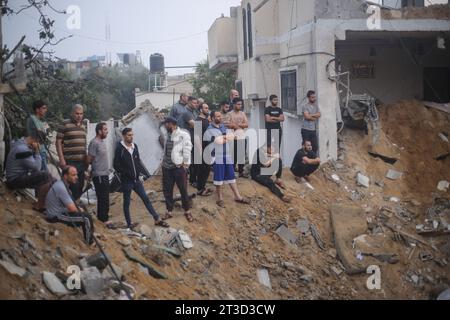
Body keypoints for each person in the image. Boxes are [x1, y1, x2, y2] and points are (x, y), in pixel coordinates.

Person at [113, 128, 169, 229]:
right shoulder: (120, 149)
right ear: (124, 136)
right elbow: (116, 165)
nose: (131, 137)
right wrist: (126, 173)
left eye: (132, 135)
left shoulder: (135, 147)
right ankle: (129, 223)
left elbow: (137, 161)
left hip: (136, 180)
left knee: (145, 198)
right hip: (127, 181)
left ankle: (157, 218)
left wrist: (139, 173)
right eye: (129, 135)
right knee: (127, 202)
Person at [204, 111, 250, 208]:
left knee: (231, 176)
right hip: (217, 156)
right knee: (218, 178)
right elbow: (218, 142)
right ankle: (219, 198)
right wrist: (225, 138)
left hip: (227, 155)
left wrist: (224, 137)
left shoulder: (222, 127)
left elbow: (231, 136)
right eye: (217, 116)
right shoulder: (209, 129)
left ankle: (237, 196)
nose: (219, 118)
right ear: (212, 118)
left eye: (220, 116)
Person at [45, 166, 94, 245]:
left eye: (76, 175)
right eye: (73, 175)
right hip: (55, 216)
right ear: (65, 176)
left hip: (61, 212)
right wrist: (80, 210)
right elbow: (72, 209)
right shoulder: (61, 188)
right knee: (86, 218)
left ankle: (89, 231)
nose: (77, 177)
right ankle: (90, 242)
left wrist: (80, 208)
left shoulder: (63, 185)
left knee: (82, 206)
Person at [5, 135, 53, 212]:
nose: (38, 145)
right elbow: (37, 167)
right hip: (14, 180)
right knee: (46, 175)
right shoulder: (23, 149)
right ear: (34, 141)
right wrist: (37, 152)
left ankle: (41, 203)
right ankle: (39, 206)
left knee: (51, 179)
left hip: (14, 177)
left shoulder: (18, 144)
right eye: (38, 143)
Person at [160, 117, 194, 222]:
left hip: (179, 168)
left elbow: (188, 149)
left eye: (167, 124)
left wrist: (185, 164)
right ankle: (169, 211)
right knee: (167, 190)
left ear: (173, 124)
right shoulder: (166, 134)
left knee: (183, 189)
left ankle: (187, 211)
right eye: (165, 124)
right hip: (166, 167)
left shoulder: (183, 134)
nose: (165, 126)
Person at [56, 104, 88, 200]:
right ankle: (70, 208)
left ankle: (75, 206)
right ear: (72, 113)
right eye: (77, 113)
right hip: (70, 162)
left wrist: (86, 162)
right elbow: (58, 142)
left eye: (81, 114)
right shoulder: (64, 124)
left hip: (81, 162)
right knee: (71, 186)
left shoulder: (83, 126)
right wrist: (61, 159)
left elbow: (84, 145)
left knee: (80, 185)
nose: (79, 116)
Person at [87, 122, 114, 228]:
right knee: (102, 198)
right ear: (99, 131)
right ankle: (103, 220)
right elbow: (90, 159)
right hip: (98, 175)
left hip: (105, 174)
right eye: (105, 129)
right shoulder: (94, 143)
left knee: (106, 197)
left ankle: (103, 218)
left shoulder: (102, 142)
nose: (107, 131)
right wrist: (90, 172)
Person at [178, 96, 200, 187]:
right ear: (189, 102)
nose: (196, 105)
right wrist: (196, 125)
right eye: (194, 103)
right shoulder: (186, 112)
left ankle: (192, 179)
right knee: (189, 160)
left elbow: (197, 124)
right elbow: (196, 125)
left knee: (194, 160)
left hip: (193, 138)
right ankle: (191, 180)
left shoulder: (193, 112)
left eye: (196, 103)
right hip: (186, 139)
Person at [194, 103, 213, 196]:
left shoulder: (206, 120)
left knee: (207, 169)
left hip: (208, 148)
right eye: (205, 108)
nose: (207, 109)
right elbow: (197, 136)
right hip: (201, 149)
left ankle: (203, 186)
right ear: (201, 110)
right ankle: (200, 189)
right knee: (202, 170)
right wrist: (200, 150)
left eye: (208, 108)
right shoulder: (198, 120)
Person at [26, 100, 50, 171]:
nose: (46, 110)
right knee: (43, 174)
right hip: (36, 151)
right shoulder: (32, 119)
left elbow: (46, 135)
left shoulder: (41, 121)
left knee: (44, 173)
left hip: (43, 151)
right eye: (44, 108)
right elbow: (38, 134)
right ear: (37, 109)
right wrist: (44, 132)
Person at [228, 98, 248, 177]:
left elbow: (246, 124)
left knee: (241, 155)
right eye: (238, 104)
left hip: (242, 136)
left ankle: (241, 172)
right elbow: (229, 125)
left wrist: (237, 125)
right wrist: (239, 125)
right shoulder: (230, 114)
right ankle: (232, 173)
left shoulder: (242, 113)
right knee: (234, 156)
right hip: (233, 137)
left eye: (240, 104)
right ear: (234, 104)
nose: (240, 106)